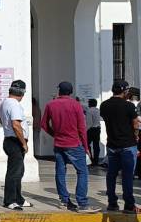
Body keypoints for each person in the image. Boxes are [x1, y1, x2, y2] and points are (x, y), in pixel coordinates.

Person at [40, 82, 99, 213]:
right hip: (74, 143)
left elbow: (43, 124)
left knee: (60, 172)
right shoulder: (76, 105)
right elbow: (82, 128)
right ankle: (82, 203)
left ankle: (64, 200)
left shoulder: (51, 104)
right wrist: (86, 147)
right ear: (70, 92)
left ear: (59, 91)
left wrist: (54, 134)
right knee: (82, 172)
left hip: (59, 143)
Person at [99, 80, 141, 214]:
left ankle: (112, 203)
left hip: (112, 145)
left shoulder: (104, 105)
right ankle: (129, 204)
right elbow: (135, 125)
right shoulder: (128, 106)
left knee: (111, 175)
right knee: (127, 176)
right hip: (127, 145)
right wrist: (136, 136)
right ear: (125, 91)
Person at [0, 80, 31, 211]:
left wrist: (7, 129)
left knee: (19, 171)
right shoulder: (15, 104)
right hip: (15, 142)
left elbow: (0, 118)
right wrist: (23, 143)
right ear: (22, 93)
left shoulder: (5, 102)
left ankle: (19, 198)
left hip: (10, 139)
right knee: (14, 172)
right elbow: (16, 124)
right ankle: (9, 201)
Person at [86, 99, 102, 166]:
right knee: (96, 145)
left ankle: (90, 159)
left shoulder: (89, 111)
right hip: (97, 129)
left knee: (87, 144)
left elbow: (89, 123)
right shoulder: (98, 110)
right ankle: (96, 160)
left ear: (90, 104)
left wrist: (85, 130)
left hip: (91, 130)